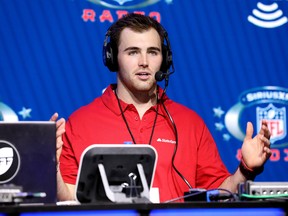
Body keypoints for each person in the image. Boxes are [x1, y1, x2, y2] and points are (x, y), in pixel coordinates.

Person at [50, 13, 271, 203]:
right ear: (113, 58)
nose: (144, 61)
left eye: (153, 52)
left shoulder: (189, 122)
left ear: (164, 60)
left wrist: (245, 170)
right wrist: (51, 166)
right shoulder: (80, 122)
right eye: (133, 52)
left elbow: (220, 193)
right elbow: (69, 198)